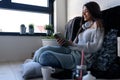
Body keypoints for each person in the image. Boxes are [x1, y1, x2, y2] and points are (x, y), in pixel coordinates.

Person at [33, 1, 104, 70]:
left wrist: (73, 45)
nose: (83, 14)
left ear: (93, 11)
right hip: (71, 50)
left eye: (86, 11)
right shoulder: (84, 27)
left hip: (80, 58)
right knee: (43, 49)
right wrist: (66, 43)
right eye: (83, 11)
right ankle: (33, 63)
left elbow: (96, 46)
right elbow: (74, 43)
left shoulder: (97, 24)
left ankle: (38, 65)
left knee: (44, 56)